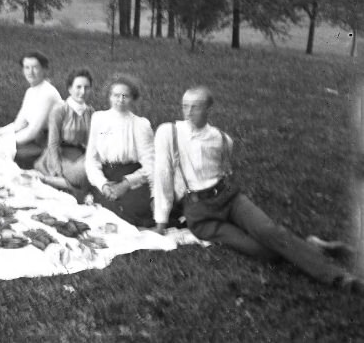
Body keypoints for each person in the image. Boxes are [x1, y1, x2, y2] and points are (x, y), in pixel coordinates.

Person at [154, 86, 364, 293]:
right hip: (200, 215)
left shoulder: (223, 139)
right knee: (264, 252)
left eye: (196, 107)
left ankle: (339, 277)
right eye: (185, 106)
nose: (188, 112)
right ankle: (313, 246)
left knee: (269, 231)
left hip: (229, 199)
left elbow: (224, 171)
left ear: (209, 109)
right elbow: (163, 175)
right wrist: (161, 221)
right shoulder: (168, 132)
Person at [84, 73, 155, 227]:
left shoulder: (140, 125)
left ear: (133, 99)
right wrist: (102, 184)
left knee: (133, 208)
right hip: (107, 174)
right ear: (109, 96)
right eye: (116, 95)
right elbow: (91, 159)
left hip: (132, 177)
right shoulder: (99, 119)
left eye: (125, 96)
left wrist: (126, 184)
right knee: (106, 208)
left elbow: (150, 165)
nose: (120, 100)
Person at [35, 68, 94, 191]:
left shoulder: (91, 112)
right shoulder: (60, 110)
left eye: (86, 87)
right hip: (60, 155)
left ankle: (60, 183)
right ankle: (51, 179)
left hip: (81, 157)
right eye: (78, 87)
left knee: (95, 169)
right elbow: (53, 143)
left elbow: (92, 144)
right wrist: (57, 169)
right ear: (69, 88)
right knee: (83, 175)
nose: (83, 91)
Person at [11, 51, 63, 169]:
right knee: (0, 146)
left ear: (44, 70)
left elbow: (33, 130)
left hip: (51, 142)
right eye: (26, 68)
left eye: (35, 68)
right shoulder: (30, 91)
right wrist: (0, 135)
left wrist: (7, 142)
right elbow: (19, 123)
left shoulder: (48, 93)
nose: (30, 72)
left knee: (14, 152)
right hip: (37, 138)